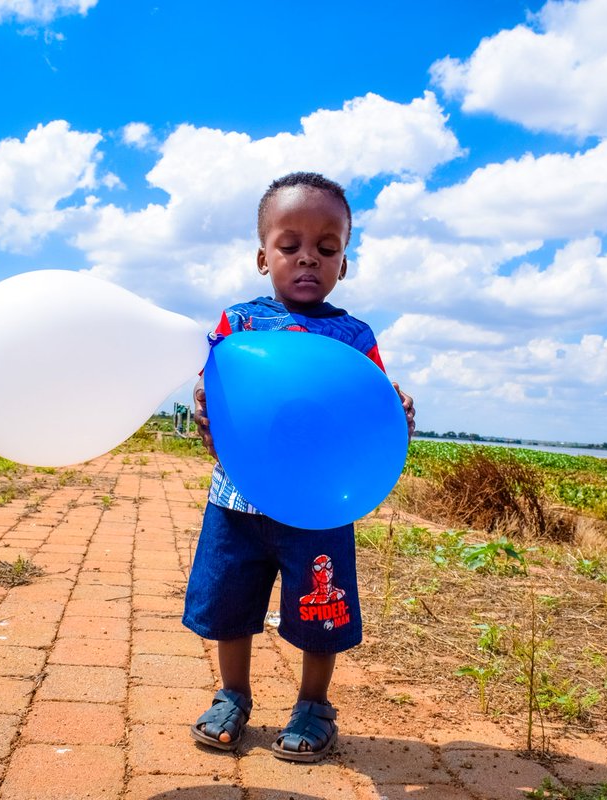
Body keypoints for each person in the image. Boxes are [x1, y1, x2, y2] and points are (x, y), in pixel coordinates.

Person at [184, 171, 415, 763]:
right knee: (230, 604)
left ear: (344, 260)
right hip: (238, 501)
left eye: (327, 247)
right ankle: (232, 694)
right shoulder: (238, 324)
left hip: (320, 506)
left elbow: (369, 406)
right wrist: (203, 399)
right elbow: (218, 390)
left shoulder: (353, 336)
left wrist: (397, 409)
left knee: (321, 607)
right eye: (290, 246)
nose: (308, 258)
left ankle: (314, 705)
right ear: (263, 257)